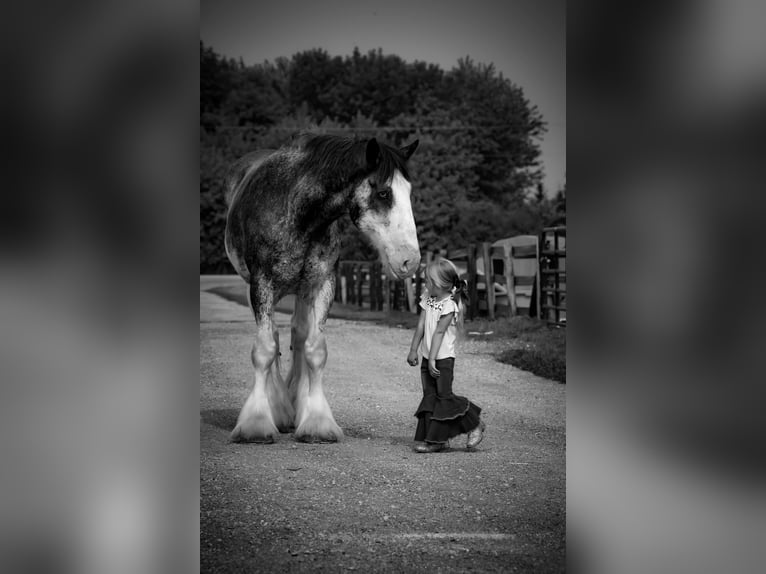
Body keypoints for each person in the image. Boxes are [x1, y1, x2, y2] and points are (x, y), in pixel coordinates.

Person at [406, 258, 485, 453]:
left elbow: (439, 333)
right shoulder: (428, 297)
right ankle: (437, 440)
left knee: (445, 397)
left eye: (428, 281)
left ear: (440, 284)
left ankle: (475, 424)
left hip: (442, 359)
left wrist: (432, 358)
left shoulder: (449, 306)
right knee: (430, 397)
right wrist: (413, 349)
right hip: (428, 357)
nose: (425, 284)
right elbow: (421, 326)